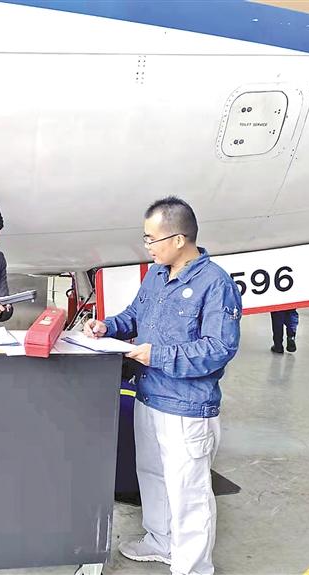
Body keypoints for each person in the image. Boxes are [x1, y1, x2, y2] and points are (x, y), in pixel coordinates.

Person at [83, 196, 241, 575]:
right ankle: (161, 540)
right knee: (152, 475)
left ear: (179, 239)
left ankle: (193, 567)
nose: (148, 246)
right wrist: (107, 326)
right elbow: (135, 315)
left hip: (186, 407)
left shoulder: (215, 284)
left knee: (189, 493)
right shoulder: (156, 274)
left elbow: (219, 348)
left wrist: (158, 356)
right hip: (148, 396)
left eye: (151, 239)